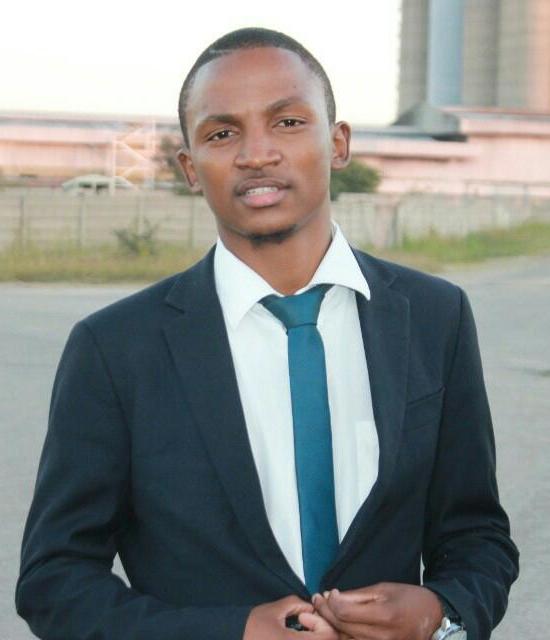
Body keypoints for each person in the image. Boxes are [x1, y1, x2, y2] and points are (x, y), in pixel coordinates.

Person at [16, 27, 518, 640]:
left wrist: (441, 612)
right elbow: (55, 579)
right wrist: (232, 631)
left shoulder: (435, 317)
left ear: (338, 143)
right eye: (221, 133)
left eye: (287, 122)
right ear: (190, 168)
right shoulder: (116, 348)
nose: (256, 154)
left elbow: (476, 535)